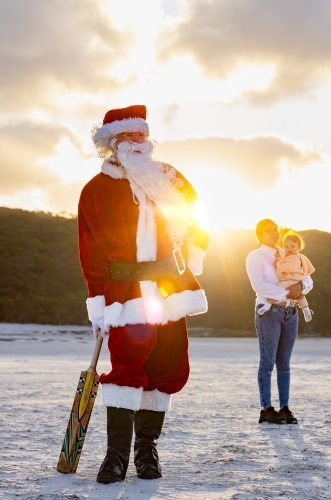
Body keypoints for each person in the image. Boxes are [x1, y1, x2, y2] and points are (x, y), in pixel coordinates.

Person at [78, 105, 209, 483]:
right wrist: (98, 302)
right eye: (130, 137)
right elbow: (90, 252)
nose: (140, 143)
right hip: (125, 292)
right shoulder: (96, 189)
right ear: (112, 143)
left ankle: (146, 451)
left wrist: (194, 253)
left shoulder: (169, 177)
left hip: (170, 288)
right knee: (125, 369)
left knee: (166, 367)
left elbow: (199, 214)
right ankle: (115, 455)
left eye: (142, 135)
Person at [246, 219, 313, 424]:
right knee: (267, 362)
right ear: (259, 235)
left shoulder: (289, 252)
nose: (274, 234)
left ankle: (285, 408)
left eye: (276, 230)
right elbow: (259, 285)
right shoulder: (255, 257)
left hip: (291, 313)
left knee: (284, 363)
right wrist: (287, 292)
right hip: (269, 313)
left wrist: (301, 286)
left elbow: (308, 279)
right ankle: (267, 409)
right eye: (269, 231)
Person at [257, 230, 315, 322]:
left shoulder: (295, 258)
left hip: (292, 280)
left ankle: (268, 304)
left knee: (278, 287)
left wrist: (278, 263)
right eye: (286, 246)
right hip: (295, 280)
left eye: (292, 246)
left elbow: (288, 267)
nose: (289, 249)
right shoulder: (291, 257)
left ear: (299, 248)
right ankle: (306, 310)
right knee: (300, 296)